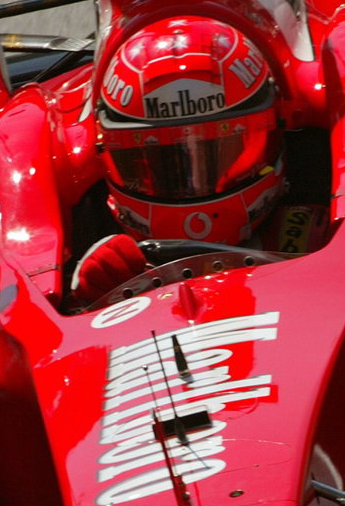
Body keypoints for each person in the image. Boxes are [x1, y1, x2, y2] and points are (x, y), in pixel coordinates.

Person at [69, 15, 303, 304]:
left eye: (219, 154)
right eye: (159, 163)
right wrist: (91, 291)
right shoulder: (115, 265)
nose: (191, 186)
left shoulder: (312, 222)